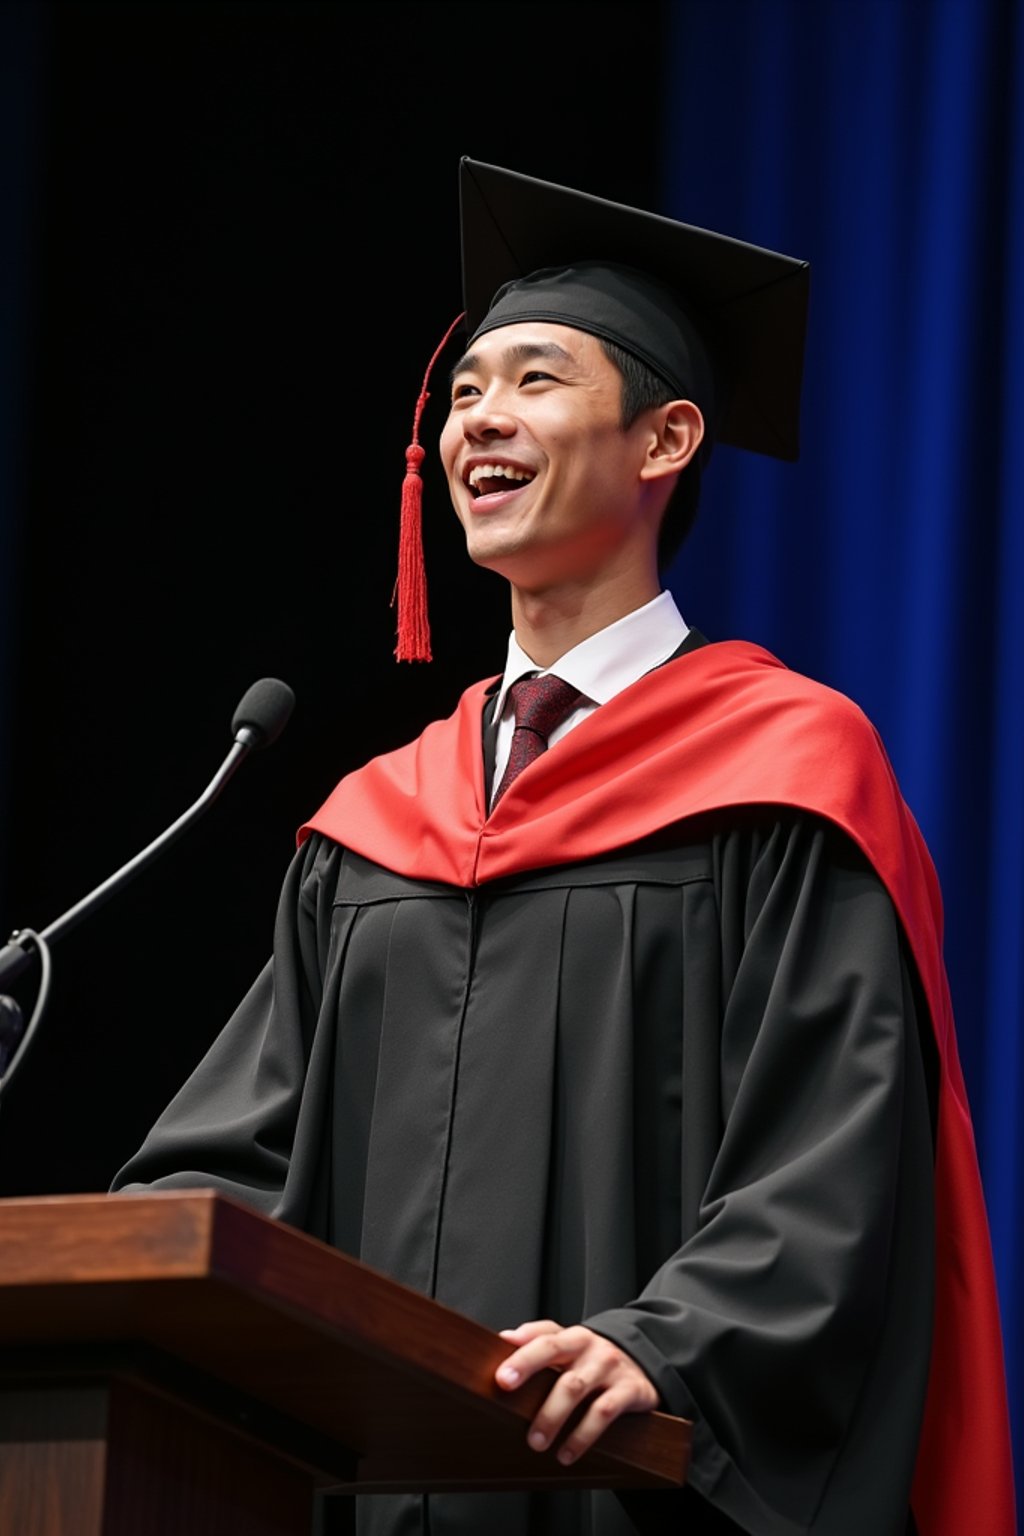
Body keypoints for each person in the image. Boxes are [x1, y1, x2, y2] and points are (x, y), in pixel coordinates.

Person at [111, 158, 1016, 1536]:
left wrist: (664, 1345)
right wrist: (148, 1250)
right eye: (466, 389)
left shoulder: (786, 775)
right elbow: (247, 1145)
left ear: (665, 443)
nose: (481, 417)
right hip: (368, 1489)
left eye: (534, 380)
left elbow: (836, 1161)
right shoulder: (381, 818)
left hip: (627, 1482)